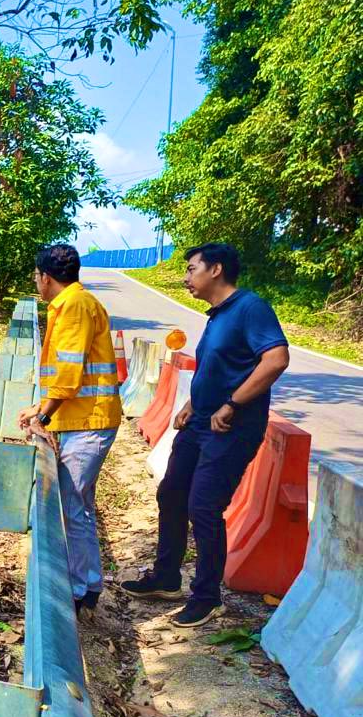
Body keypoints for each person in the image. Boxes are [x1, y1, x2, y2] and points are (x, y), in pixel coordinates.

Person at [121, 243, 289, 627]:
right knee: (172, 492)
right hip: (200, 423)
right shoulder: (217, 316)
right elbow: (217, 368)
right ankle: (166, 577)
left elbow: (277, 358)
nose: (186, 277)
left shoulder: (250, 308)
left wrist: (233, 403)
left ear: (215, 269)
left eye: (191, 268)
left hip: (231, 428)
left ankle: (207, 596)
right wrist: (191, 404)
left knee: (204, 507)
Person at [19, 244, 122, 616]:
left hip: (88, 423)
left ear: (45, 277)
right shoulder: (71, 304)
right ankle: (88, 582)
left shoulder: (76, 307)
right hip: (82, 420)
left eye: (36, 276)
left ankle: (82, 589)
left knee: (72, 507)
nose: (36, 282)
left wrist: (42, 416)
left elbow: (68, 373)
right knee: (78, 505)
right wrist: (40, 408)